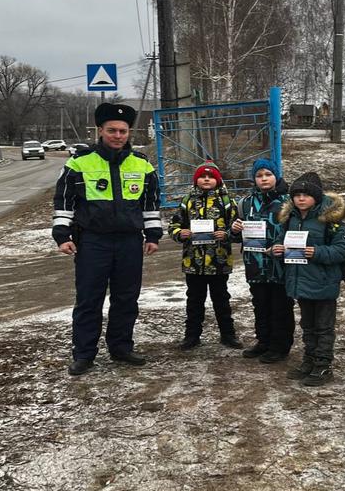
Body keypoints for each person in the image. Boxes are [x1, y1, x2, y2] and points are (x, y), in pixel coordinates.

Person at [52, 103, 162, 376]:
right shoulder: (79, 162)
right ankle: (84, 354)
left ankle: (121, 347)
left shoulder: (142, 164)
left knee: (126, 298)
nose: (118, 135)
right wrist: (61, 235)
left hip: (129, 242)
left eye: (123, 131)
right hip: (93, 242)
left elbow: (150, 204)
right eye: (112, 130)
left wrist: (153, 234)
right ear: (100, 131)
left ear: (129, 132)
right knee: (89, 299)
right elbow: (64, 202)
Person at [272, 172, 345, 387]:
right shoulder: (290, 219)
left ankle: (323, 365)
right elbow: (280, 242)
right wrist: (277, 249)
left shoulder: (331, 221)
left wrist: (316, 252)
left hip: (324, 282)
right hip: (300, 281)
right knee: (307, 325)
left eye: (306, 195)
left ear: (316, 197)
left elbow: (343, 249)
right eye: (297, 195)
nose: (300, 199)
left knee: (324, 327)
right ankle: (309, 362)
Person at [168, 160, 242, 350]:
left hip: (219, 261)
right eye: (203, 176)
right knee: (194, 300)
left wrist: (226, 233)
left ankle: (228, 335)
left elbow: (237, 227)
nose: (206, 179)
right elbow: (174, 224)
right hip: (193, 261)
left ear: (217, 180)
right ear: (196, 180)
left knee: (221, 299)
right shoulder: (187, 201)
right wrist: (179, 234)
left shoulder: (227, 202)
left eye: (211, 177)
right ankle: (192, 336)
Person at [230, 158, 295, 363]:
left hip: (280, 265)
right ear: (254, 179)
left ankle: (280, 345)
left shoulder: (289, 201)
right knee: (260, 304)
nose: (264, 179)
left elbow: (299, 231)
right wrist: (234, 230)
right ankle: (263, 341)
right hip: (255, 264)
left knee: (280, 306)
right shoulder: (246, 203)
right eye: (259, 175)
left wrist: (285, 247)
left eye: (268, 174)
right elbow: (236, 234)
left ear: (276, 176)